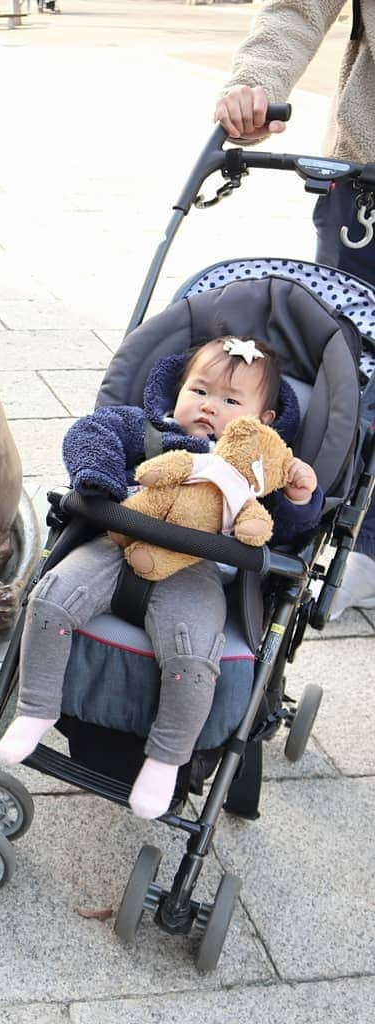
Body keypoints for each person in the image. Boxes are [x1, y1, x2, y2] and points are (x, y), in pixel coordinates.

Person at [0, 337, 323, 819]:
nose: (210, 407)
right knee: (50, 598)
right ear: (177, 390)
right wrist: (99, 478)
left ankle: (166, 759)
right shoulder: (148, 429)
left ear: (263, 420)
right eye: (200, 390)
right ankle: (36, 709)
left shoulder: (261, 467)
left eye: (231, 401)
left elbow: (293, 532)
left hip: (199, 571)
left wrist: (299, 496)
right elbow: (90, 432)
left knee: (192, 655)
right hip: (117, 542)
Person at [214, 0, 375, 616]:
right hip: (367, 182)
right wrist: (256, 83)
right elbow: (295, 8)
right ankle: (342, 541)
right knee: (349, 364)